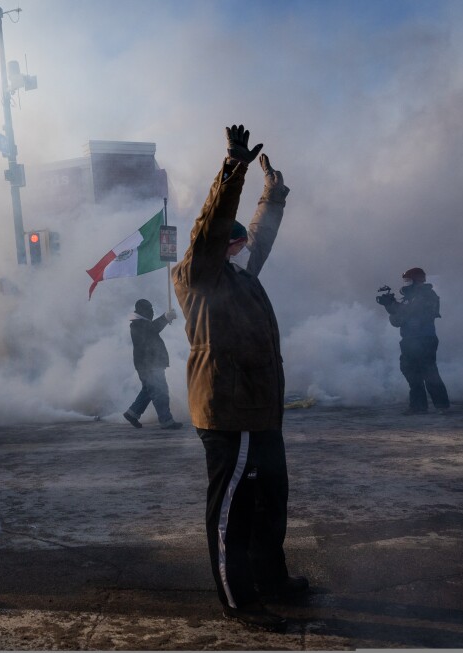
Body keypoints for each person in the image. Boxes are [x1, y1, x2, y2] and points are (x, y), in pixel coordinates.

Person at [172, 125, 307, 632]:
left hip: (260, 411)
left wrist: (273, 193)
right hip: (230, 412)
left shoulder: (239, 273)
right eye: (231, 242)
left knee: (271, 501)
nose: (240, 247)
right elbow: (212, 227)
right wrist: (233, 170)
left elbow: (259, 236)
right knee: (233, 512)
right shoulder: (197, 275)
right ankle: (239, 600)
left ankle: (272, 579)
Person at [380, 267, 450, 414]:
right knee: (411, 372)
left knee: (429, 372)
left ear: (417, 281)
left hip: (424, 339)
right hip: (410, 340)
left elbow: (405, 313)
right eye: (405, 281)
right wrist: (390, 304)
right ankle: (418, 406)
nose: (406, 284)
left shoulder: (426, 295)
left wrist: (392, 306)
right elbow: (398, 318)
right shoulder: (410, 297)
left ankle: (442, 406)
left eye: (408, 281)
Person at [123, 299, 183, 430]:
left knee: (149, 390)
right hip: (149, 365)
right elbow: (153, 329)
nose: (152, 311)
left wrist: (166, 318)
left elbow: (152, 328)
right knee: (160, 392)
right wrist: (166, 317)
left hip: (148, 364)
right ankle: (166, 421)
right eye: (149, 309)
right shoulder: (138, 324)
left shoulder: (140, 323)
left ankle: (132, 413)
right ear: (142, 310)